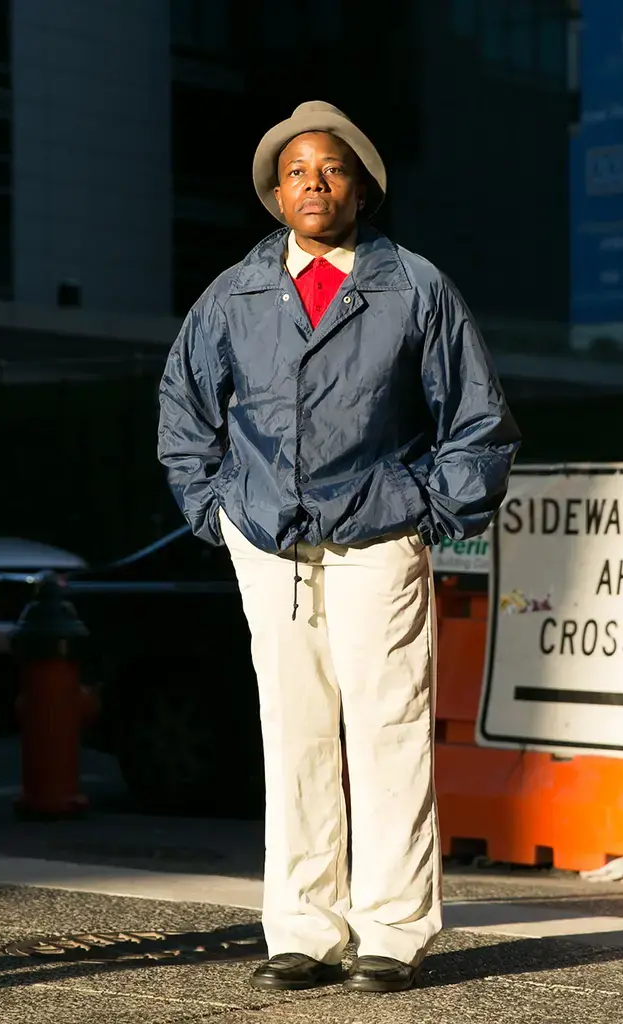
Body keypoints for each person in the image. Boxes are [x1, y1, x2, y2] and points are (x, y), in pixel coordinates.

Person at [157, 101, 520, 994]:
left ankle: (393, 931)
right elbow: (184, 414)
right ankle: (303, 932)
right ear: (274, 193)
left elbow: (477, 420)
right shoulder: (232, 297)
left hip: (378, 541)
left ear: (362, 186)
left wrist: (427, 508)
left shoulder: (414, 287)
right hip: (269, 547)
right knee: (295, 735)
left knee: (389, 731)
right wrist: (218, 513)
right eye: (296, 172)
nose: (313, 183)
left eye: (332, 169)